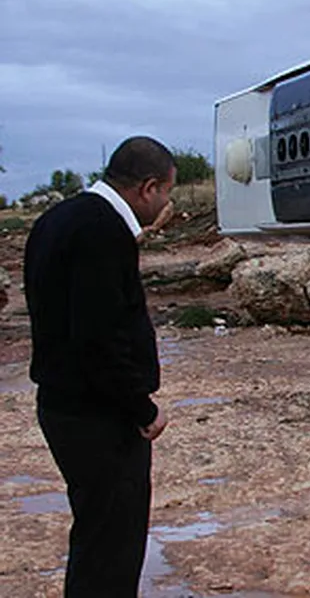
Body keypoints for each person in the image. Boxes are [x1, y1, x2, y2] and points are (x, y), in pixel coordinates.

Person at [23, 136, 176, 596]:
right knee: (112, 547)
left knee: (95, 539)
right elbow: (98, 338)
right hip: (98, 417)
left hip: (63, 406)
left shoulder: (59, 218)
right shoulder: (103, 231)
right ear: (148, 187)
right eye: (168, 192)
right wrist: (142, 409)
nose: (167, 203)